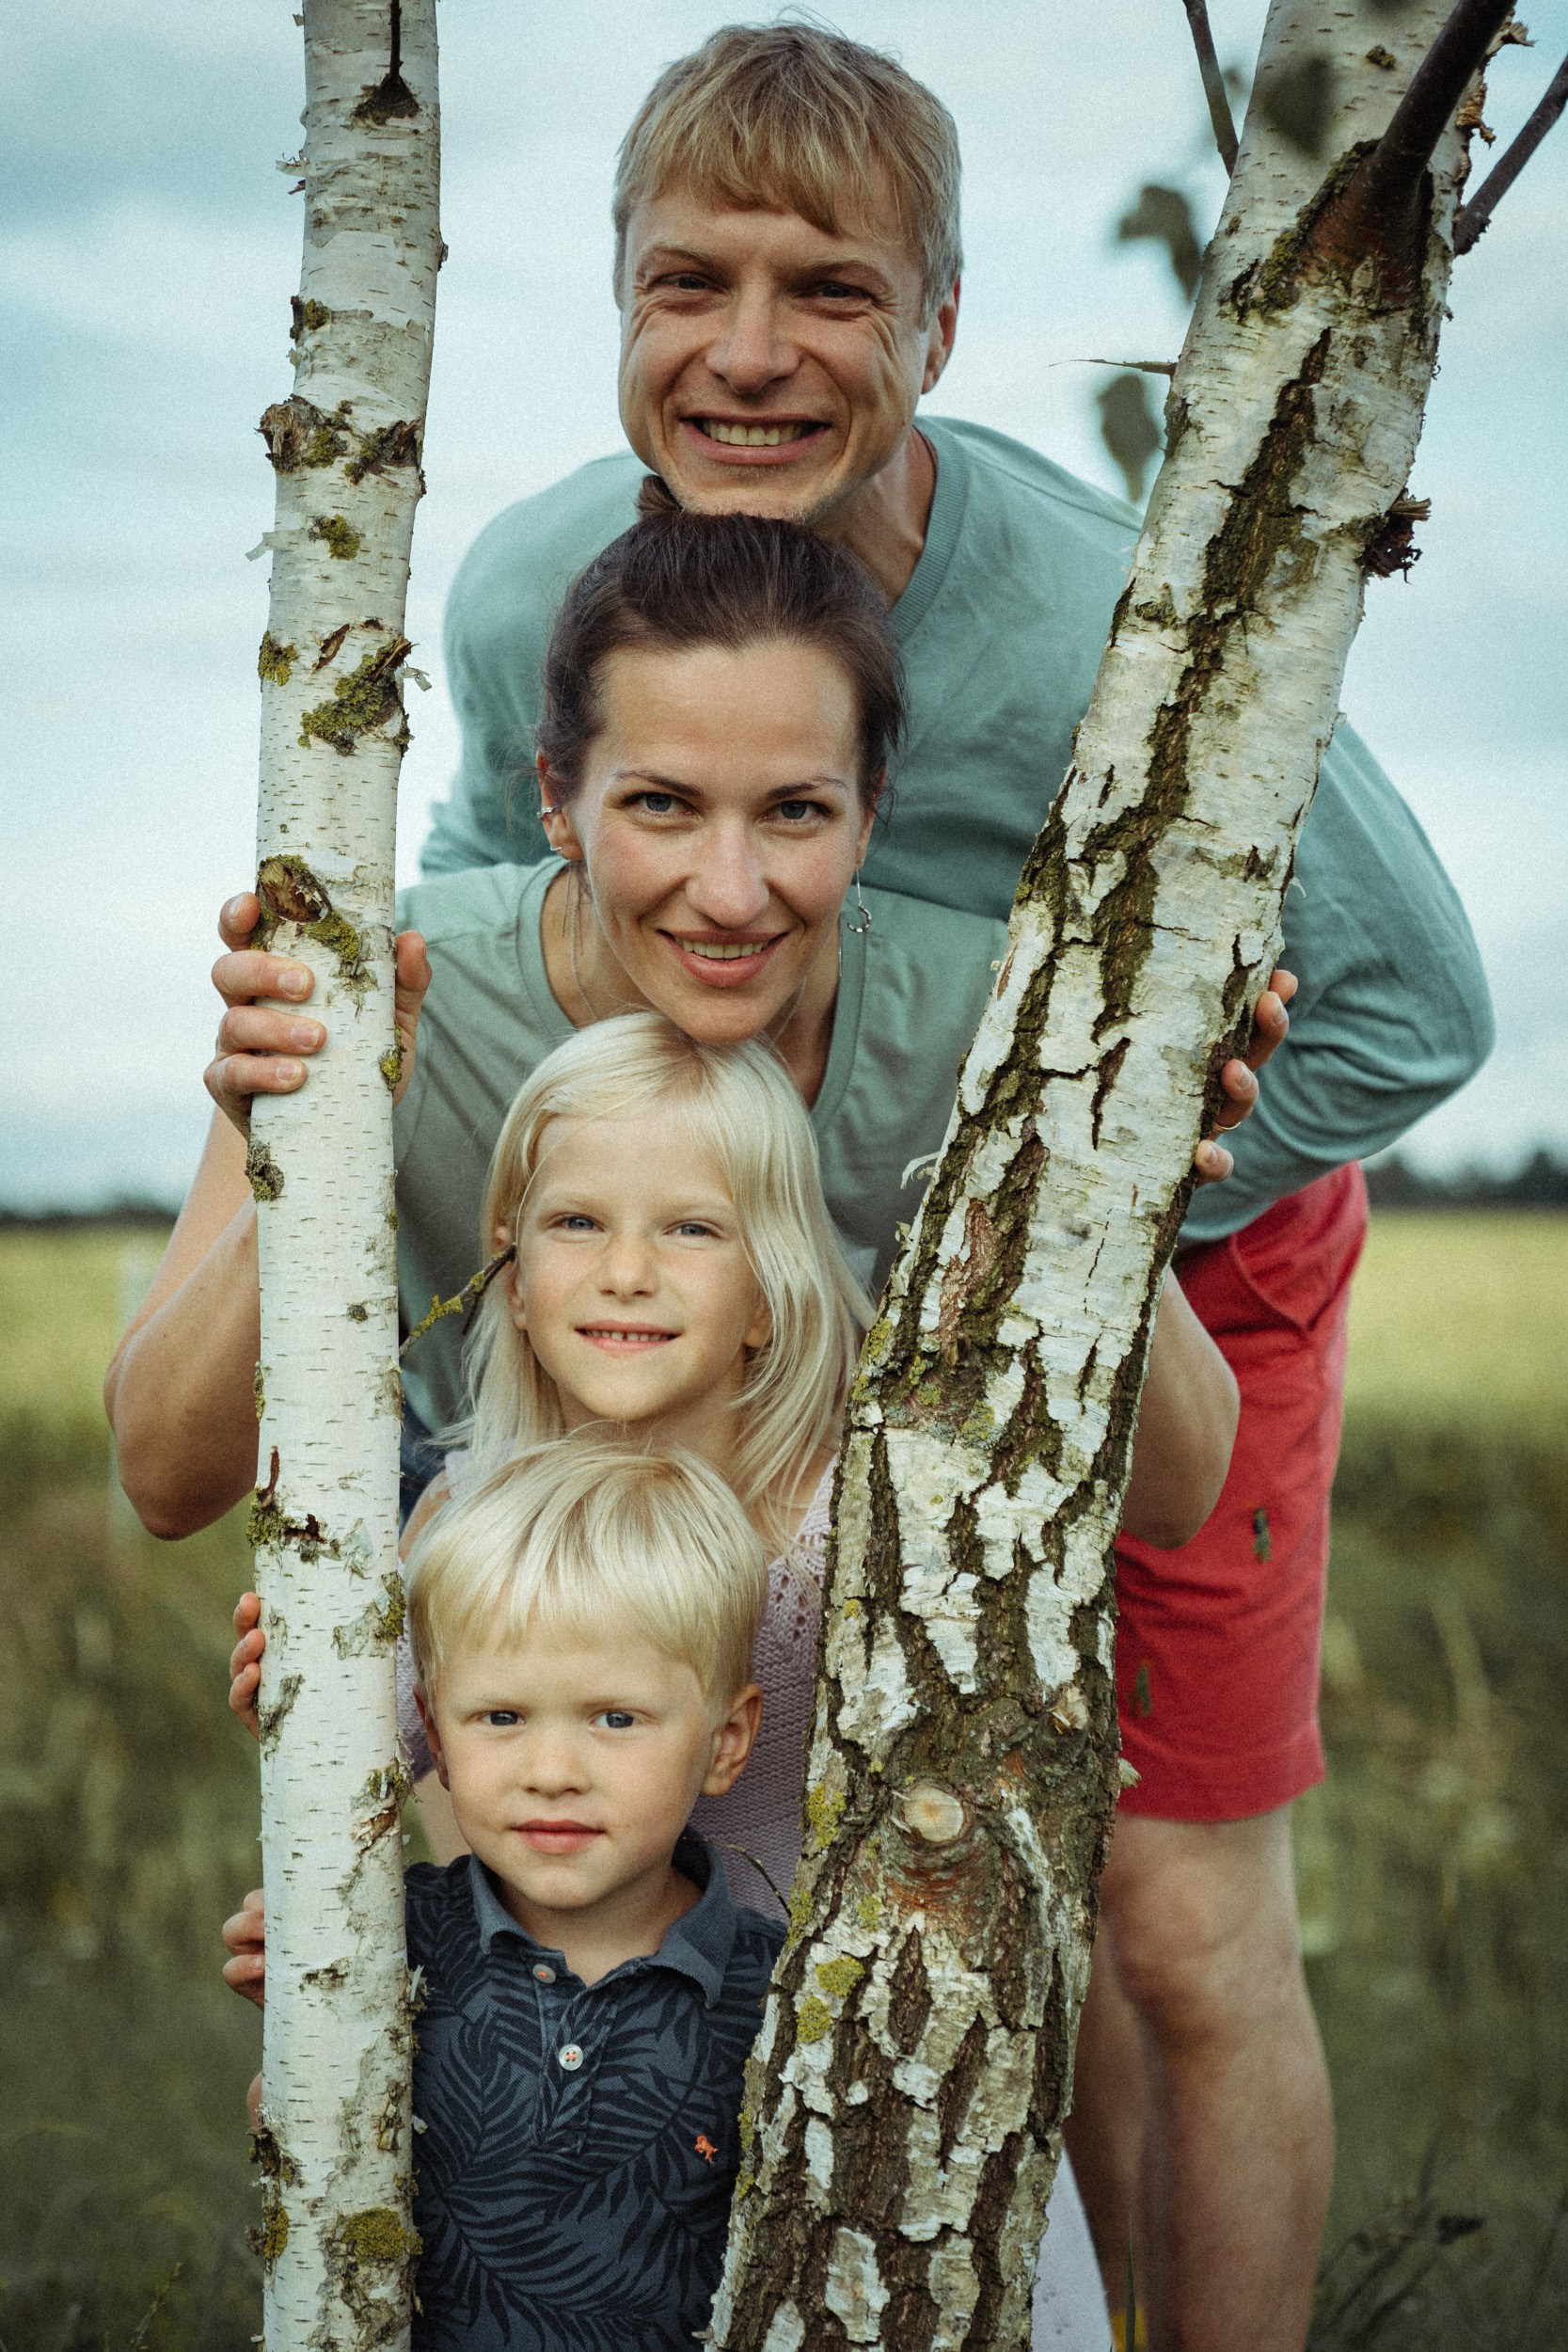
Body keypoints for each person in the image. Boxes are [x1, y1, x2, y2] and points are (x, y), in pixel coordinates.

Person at [369, 29, 1493, 2349]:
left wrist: (1054, 1260)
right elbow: (494, 951)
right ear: (614, 306)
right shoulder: (523, 602)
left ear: (944, 330)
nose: (752, 352)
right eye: (690, 282)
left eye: (834, 290)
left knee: (1171, 1915)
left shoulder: (1106, 620)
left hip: (1168, 1250)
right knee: (911, 1871)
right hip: (776, 1249)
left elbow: (1413, 1005)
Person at [226, 1009, 1241, 2349]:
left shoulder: (863, 1510)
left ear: (769, 1288)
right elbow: (377, 1777)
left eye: (691, 1229)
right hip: (571, 2125)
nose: (626, 1272)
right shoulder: (467, 1511)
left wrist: (1126, 1181)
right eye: (576, 1223)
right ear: (511, 1274)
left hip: (855, 2096)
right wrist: (321, 1907)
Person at [231, 1435, 781, 2350]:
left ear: (725, 1740)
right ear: (436, 1738)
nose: (552, 1770)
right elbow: (313, 2193)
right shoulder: (383, 1944)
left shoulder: (776, 1999)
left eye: (615, 1717)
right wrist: (304, 2040)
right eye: (501, 1716)